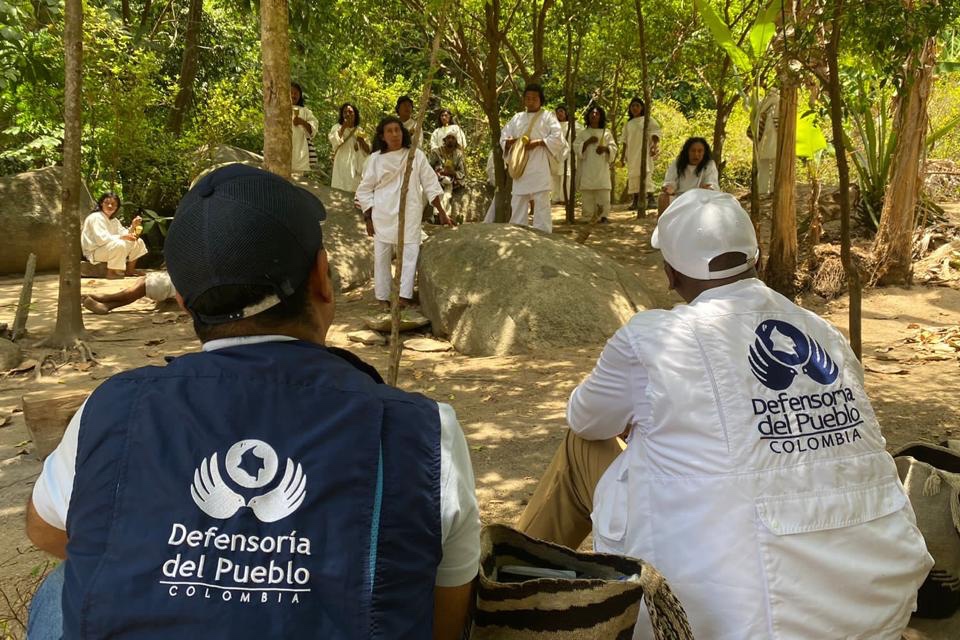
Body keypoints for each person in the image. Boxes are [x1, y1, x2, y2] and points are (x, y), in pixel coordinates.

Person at [25, 164, 480, 640]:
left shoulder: (114, 407)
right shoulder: (426, 432)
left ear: (183, 302)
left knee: (63, 589)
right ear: (322, 279)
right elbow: (445, 619)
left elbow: (45, 529)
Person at [517, 188, 933, 639]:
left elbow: (585, 419)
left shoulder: (655, 338)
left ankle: (503, 587)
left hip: (736, 621)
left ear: (670, 274)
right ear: (755, 257)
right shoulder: (823, 334)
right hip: (878, 608)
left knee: (581, 448)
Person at [356, 116, 454, 310]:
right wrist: (367, 217)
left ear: (403, 132)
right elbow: (364, 190)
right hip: (382, 214)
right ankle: (383, 297)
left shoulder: (415, 155)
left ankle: (403, 296)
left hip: (410, 212)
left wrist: (441, 211)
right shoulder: (375, 159)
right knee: (382, 256)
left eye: (397, 130)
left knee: (410, 252)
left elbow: (430, 183)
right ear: (382, 136)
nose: (394, 134)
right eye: (389, 131)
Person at [500, 84, 565, 232]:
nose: (530, 101)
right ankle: (517, 230)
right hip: (519, 163)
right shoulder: (517, 118)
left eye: (534, 98)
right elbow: (504, 136)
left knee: (541, 199)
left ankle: (543, 232)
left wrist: (539, 142)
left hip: (539, 163)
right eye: (528, 98)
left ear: (540, 100)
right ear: (524, 100)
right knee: (518, 198)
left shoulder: (548, 117)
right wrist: (509, 143)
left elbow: (558, 138)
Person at [81, 193, 148, 278]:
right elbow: (101, 239)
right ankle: (111, 272)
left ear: (117, 207)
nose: (110, 206)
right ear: (101, 204)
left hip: (109, 248)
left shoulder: (114, 220)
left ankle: (130, 270)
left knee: (138, 241)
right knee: (119, 244)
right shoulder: (96, 217)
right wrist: (122, 237)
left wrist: (133, 226)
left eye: (113, 204)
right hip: (94, 252)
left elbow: (125, 234)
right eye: (107, 203)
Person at [576, 105, 617, 224]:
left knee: (603, 192)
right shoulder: (583, 133)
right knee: (588, 193)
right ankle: (588, 215)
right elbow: (575, 147)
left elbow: (613, 148)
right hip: (587, 168)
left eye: (597, 114)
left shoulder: (606, 133)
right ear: (588, 116)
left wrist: (605, 149)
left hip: (602, 168)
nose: (594, 115)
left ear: (601, 117)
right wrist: (588, 142)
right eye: (592, 113)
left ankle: (603, 216)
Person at [620, 97, 661, 212]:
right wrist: (622, 157)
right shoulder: (628, 124)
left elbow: (655, 132)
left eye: (637, 105)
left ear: (642, 107)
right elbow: (624, 141)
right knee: (633, 175)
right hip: (632, 153)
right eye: (632, 106)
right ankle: (636, 200)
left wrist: (654, 146)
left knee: (646, 173)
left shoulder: (648, 120)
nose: (635, 108)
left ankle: (651, 199)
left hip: (645, 152)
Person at [657, 137, 718, 214]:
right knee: (662, 197)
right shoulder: (677, 163)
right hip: (679, 198)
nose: (696, 154)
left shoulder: (709, 164)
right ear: (687, 152)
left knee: (708, 198)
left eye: (700, 151)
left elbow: (711, 184)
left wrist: (706, 189)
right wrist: (669, 188)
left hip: (699, 198)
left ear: (704, 152)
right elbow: (670, 182)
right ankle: (663, 225)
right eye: (693, 151)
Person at [82, 271, 176, 314]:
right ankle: (107, 306)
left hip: (167, 284)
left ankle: (105, 299)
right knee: (136, 292)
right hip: (169, 281)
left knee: (136, 290)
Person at [328, 102, 371, 193]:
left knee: (354, 191)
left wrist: (362, 141)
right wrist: (344, 127)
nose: (348, 114)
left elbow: (368, 150)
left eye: (350, 112)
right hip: (341, 164)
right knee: (339, 190)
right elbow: (334, 142)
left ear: (355, 114)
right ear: (342, 115)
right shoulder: (337, 127)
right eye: (345, 112)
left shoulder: (360, 131)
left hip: (356, 165)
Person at [429, 133, 467, 223]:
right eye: (448, 138)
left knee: (447, 192)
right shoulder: (436, 152)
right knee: (440, 190)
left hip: (452, 180)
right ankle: (442, 215)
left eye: (453, 138)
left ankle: (438, 215)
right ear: (444, 140)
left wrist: (452, 172)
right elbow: (428, 167)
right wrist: (438, 173)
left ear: (456, 141)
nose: (450, 140)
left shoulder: (459, 154)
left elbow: (462, 172)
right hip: (437, 179)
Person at [750, 88, 779, 196]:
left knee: (768, 166)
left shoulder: (769, 102)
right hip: (767, 138)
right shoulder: (766, 102)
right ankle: (765, 190)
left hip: (770, 138)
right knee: (766, 166)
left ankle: (768, 190)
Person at [290, 82, 319, 174]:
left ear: (300, 95)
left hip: (299, 153)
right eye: (291, 92)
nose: (293, 95)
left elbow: (313, 129)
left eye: (296, 93)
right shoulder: (280, 108)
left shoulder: (305, 111)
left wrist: (301, 122)